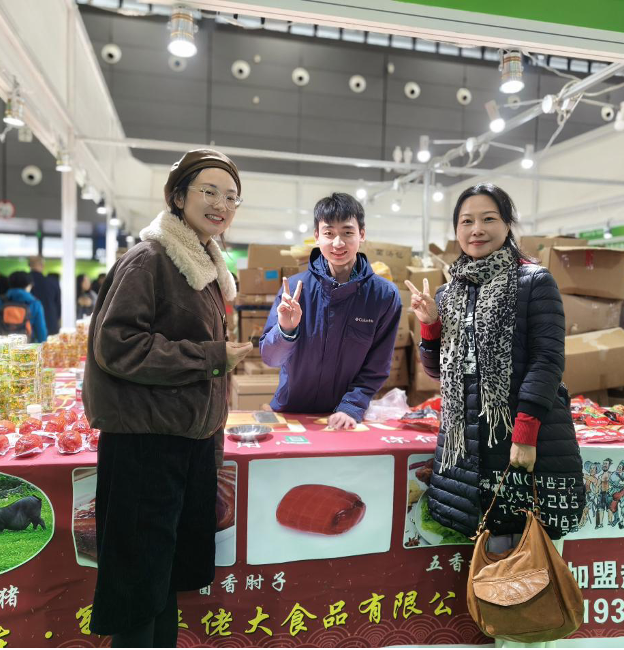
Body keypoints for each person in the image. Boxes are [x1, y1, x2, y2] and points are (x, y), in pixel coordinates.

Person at [84, 149, 252, 648]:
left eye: (231, 197)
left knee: (162, 577)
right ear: (178, 197)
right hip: (146, 445)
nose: (221, 204)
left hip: (183, 443)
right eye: (209, 191)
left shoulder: (200, 264)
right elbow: (117, 346)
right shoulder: (150, 259)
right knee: (140, 584)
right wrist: (211, 357)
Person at [410, 183, 584, 558]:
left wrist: (526, 432)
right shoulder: (448, 293)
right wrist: (430, 324)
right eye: (466, 221)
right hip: (465, 447)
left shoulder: (534, 282)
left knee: (522, 558)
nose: (477, 229)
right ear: (456, 230)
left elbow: (547, 359)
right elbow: (436, 371)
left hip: (516, 440)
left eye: (488, 219)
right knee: (479, 560)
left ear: (507, 224)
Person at [259, 192, 401, 429]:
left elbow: (377, 366)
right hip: (291, 411)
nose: (338, 243)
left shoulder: (383, 295)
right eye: (329, 233)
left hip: (346, 417)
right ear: (317, 236)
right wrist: (285, 330)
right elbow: (270, 358)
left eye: (347, 232)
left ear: (361, 234)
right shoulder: (294, 289)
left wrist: (351, 407)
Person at [0, 271, 48, 343]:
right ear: (28, 285)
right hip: (27, 346)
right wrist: (43, 344)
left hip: (3, 346)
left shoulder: (0, 301)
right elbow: (41, 331)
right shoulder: (35, 303)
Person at [28, 256, 61, 336]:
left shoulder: (24, 282)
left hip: (29, 325)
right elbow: (58, 306)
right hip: (50, 323)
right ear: (42, 265)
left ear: (29, 265)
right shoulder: (52, 282)